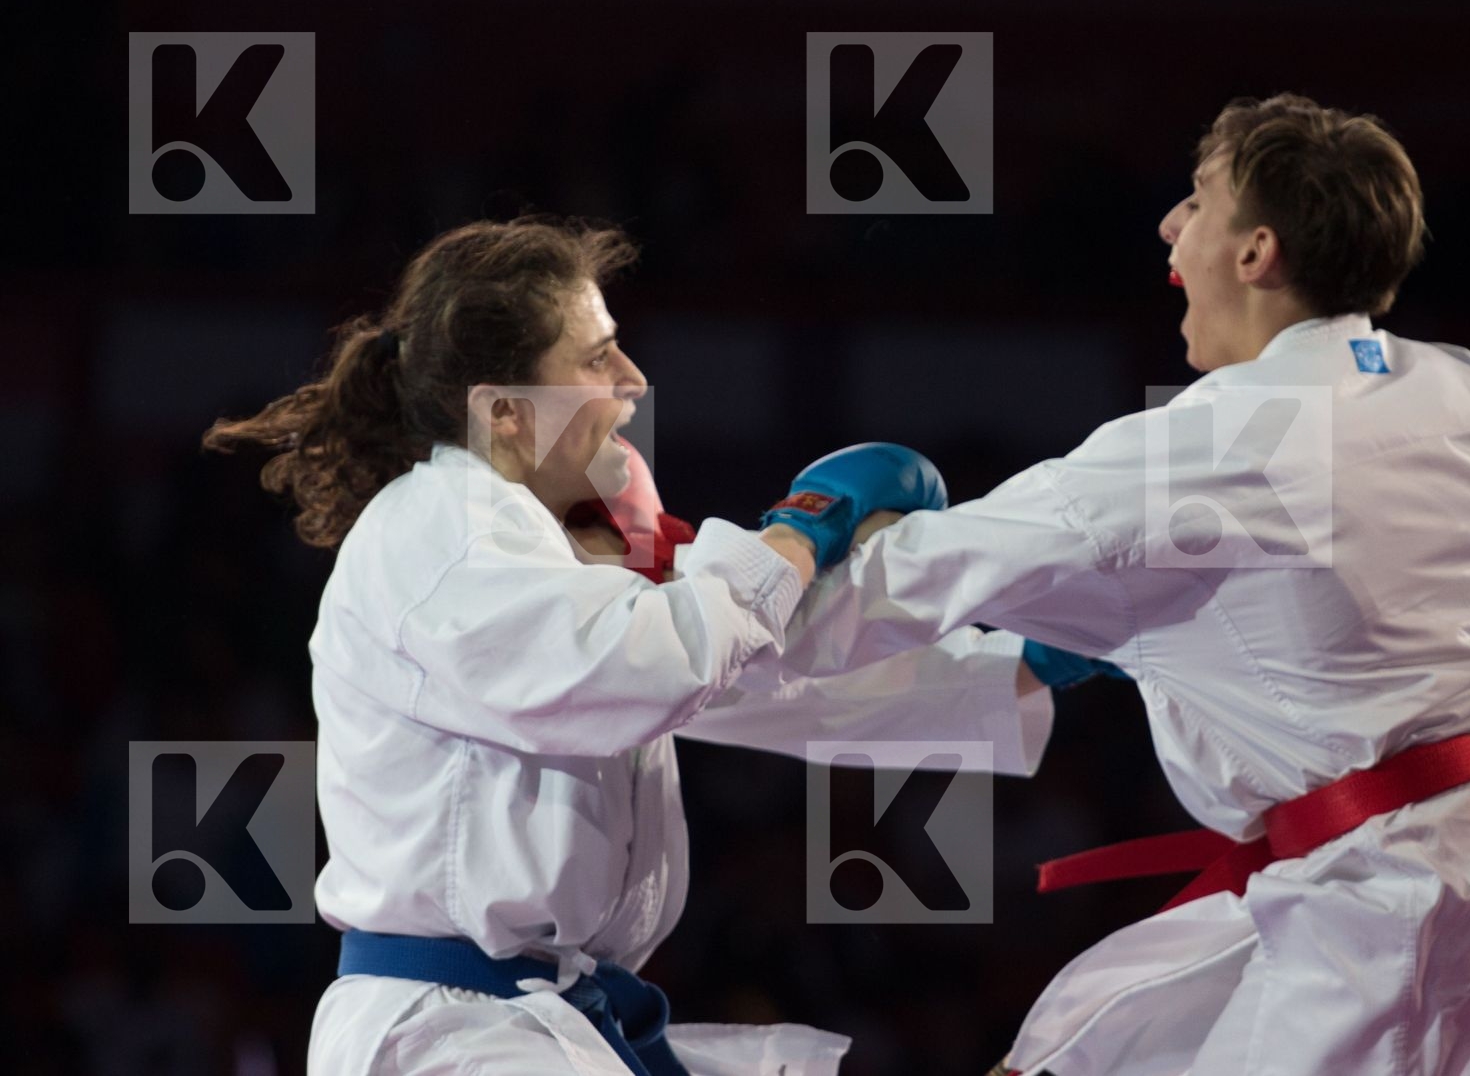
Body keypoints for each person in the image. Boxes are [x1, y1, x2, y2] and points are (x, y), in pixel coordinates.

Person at [764, 93, 1470, 1074]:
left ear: (1255, 252)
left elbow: (899, 585)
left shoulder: (1208, 440)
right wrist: (1338, 646)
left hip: (1392, 902)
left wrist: (801, 530)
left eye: (1196, 200)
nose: (1168, 225)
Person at [202, 217, 1076, 1076]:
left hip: (538, 1023)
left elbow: (758, 675)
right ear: (506, 411)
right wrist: (801, 531)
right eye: (595, 356)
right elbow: (654, 660)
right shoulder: (440, 535)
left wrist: (1017, 669)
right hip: (450, 1036)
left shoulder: (561, 541)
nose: (633, 377)